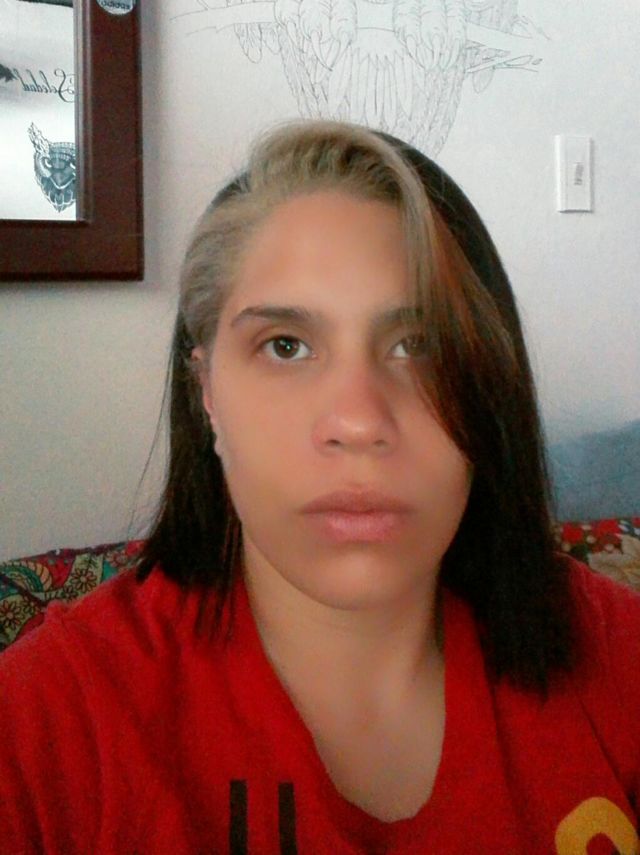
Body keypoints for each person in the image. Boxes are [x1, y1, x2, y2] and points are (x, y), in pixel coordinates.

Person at [1, 119, 639, 855]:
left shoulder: (615, 656)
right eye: (286, 346)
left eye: (420, 345)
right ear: (206, 392)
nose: (359, 422)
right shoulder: (46, 726)